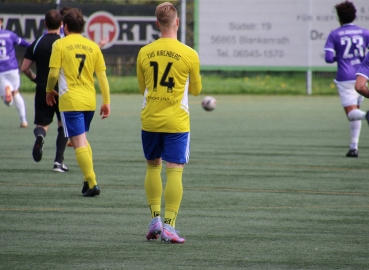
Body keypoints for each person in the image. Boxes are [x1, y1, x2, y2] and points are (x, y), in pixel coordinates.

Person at [136, 2, 202, 243]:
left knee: (153, 167)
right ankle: (170, 226)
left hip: (151, 118)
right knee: (175, 171)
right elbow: (196, 91)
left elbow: (143, 87)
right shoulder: (189, 54)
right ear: (177, 22)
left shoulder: (144, 52)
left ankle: (155, 220)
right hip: (176, 121)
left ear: (157, 24)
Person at [46, 8, 110, 197]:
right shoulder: (93, 47)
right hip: (89, 101)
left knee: (78, 142)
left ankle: (92, 182)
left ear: (64, 26)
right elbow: (103, 77)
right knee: (82, 140)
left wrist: (49, 90)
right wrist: (106, 101)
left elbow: (53, 73)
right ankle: (87, 180)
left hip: (71, 100)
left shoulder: (60, 44)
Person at [20, 10, 69, 172]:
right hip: (62, 89)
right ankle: (58, 162)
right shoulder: (64, 42)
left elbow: (25, 68)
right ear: (61, 24)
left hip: (43, 88)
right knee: (64, 125)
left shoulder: (37, 42)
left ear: (45, 24)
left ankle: (40, 137)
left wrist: (35, 79)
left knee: (42, 124)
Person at [324, 1, 369, 158]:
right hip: (362, 76)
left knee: (352, 114)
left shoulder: (334, 34)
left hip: (344, 77)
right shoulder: (364, 32)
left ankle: (366, 116)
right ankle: (354, 147)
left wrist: (341, 56)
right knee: (355, 109)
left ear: (339, 18)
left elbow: (329, 58)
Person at [0, 18, 29, 128]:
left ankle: (7, 93)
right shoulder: (9, 34)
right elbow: (23, 43)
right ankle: (23, 120)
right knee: (16, 92)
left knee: (7, 102)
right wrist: (33, 46)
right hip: (12, 68)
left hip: (0, 71)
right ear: (1, 23)